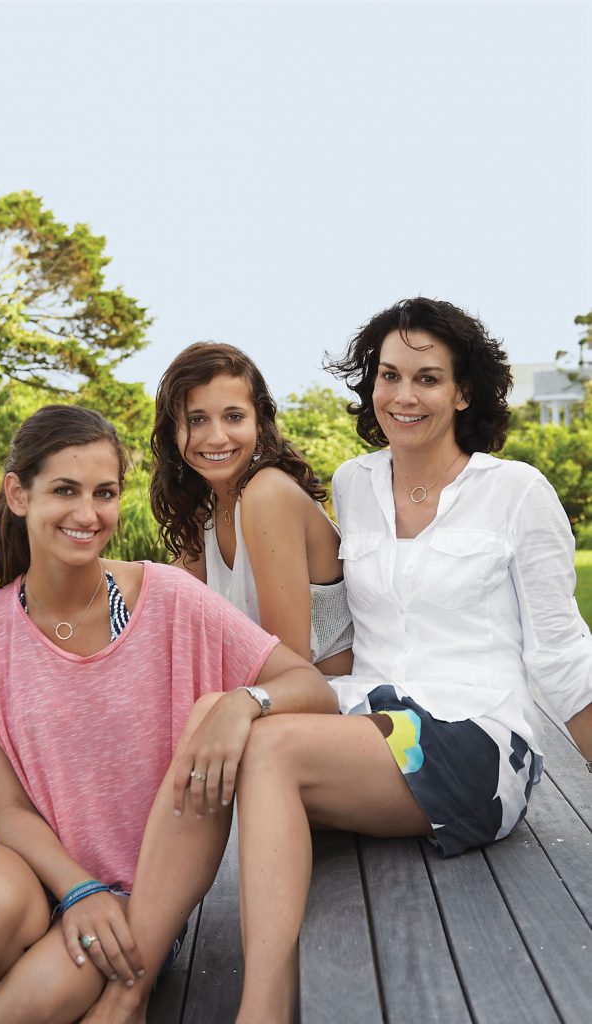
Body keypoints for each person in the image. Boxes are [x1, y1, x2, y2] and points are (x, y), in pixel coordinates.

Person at [227, 297, 592, 1024]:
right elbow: (336, 619)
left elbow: (561, 654)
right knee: (224, 735)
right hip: (371, 717)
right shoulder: (354, 484)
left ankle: (261, 1011)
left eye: (427, 378)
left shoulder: (515, 493)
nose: (403, 395)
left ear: (463, 392)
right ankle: (131, 964)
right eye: (388, 376)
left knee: (266, 747)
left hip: (476, 736)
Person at [0, 404, 337, 1024]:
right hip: (24, 869)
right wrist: (77, 888)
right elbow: (7, 810)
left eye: (105, 493)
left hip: (134, 898)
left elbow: (309, 685)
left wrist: (243, 702)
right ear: (18, 494)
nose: (88, 514)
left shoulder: (170, 600)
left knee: (51, 993)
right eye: (65, 490)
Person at [150, 341, 353, 674]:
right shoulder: (206, 507)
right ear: (174, 432)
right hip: (266, 690)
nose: (217, 437)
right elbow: (164, 607)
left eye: (233, 417)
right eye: (197, 419)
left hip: (330, 694)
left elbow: (290, 665)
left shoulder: (267, 494)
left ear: (258, 422)